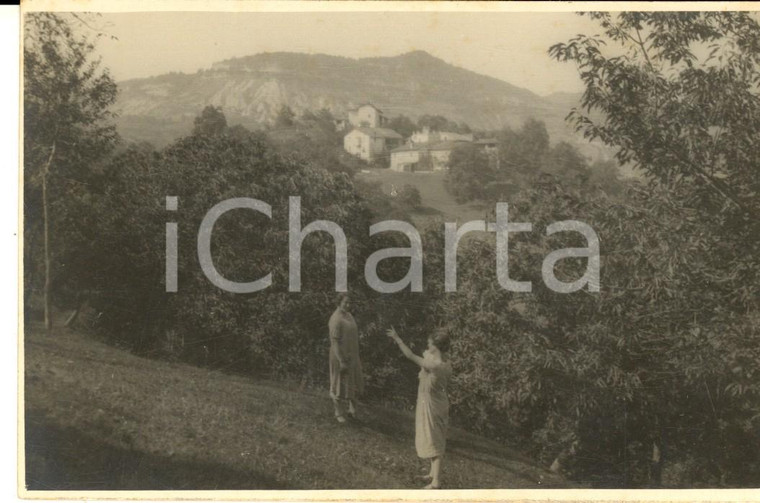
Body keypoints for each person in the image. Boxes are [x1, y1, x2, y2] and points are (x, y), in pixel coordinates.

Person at [386, 326, 452, 489]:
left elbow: (409, 355)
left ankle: (436, 482)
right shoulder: (445, 362)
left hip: (432, 405)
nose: (427, 345)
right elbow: (428, 359)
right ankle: (431, 474)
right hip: (439, 403)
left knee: (434, 440)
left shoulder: (434, 365)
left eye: (430, 343)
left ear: (436, 346)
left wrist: (397, 338)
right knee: (433, 437)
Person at [328, 293, 364, 423]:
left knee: (354, 383)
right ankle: (338, 413)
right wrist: (342, 361)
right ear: (339, 303)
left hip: (352, 356)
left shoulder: (349, 316)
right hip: (340, 357)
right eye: (345, 303)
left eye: (350, 303)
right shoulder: (336, 319)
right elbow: (335, 342)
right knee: (338, 384)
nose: (348, 305)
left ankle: (352, 411)